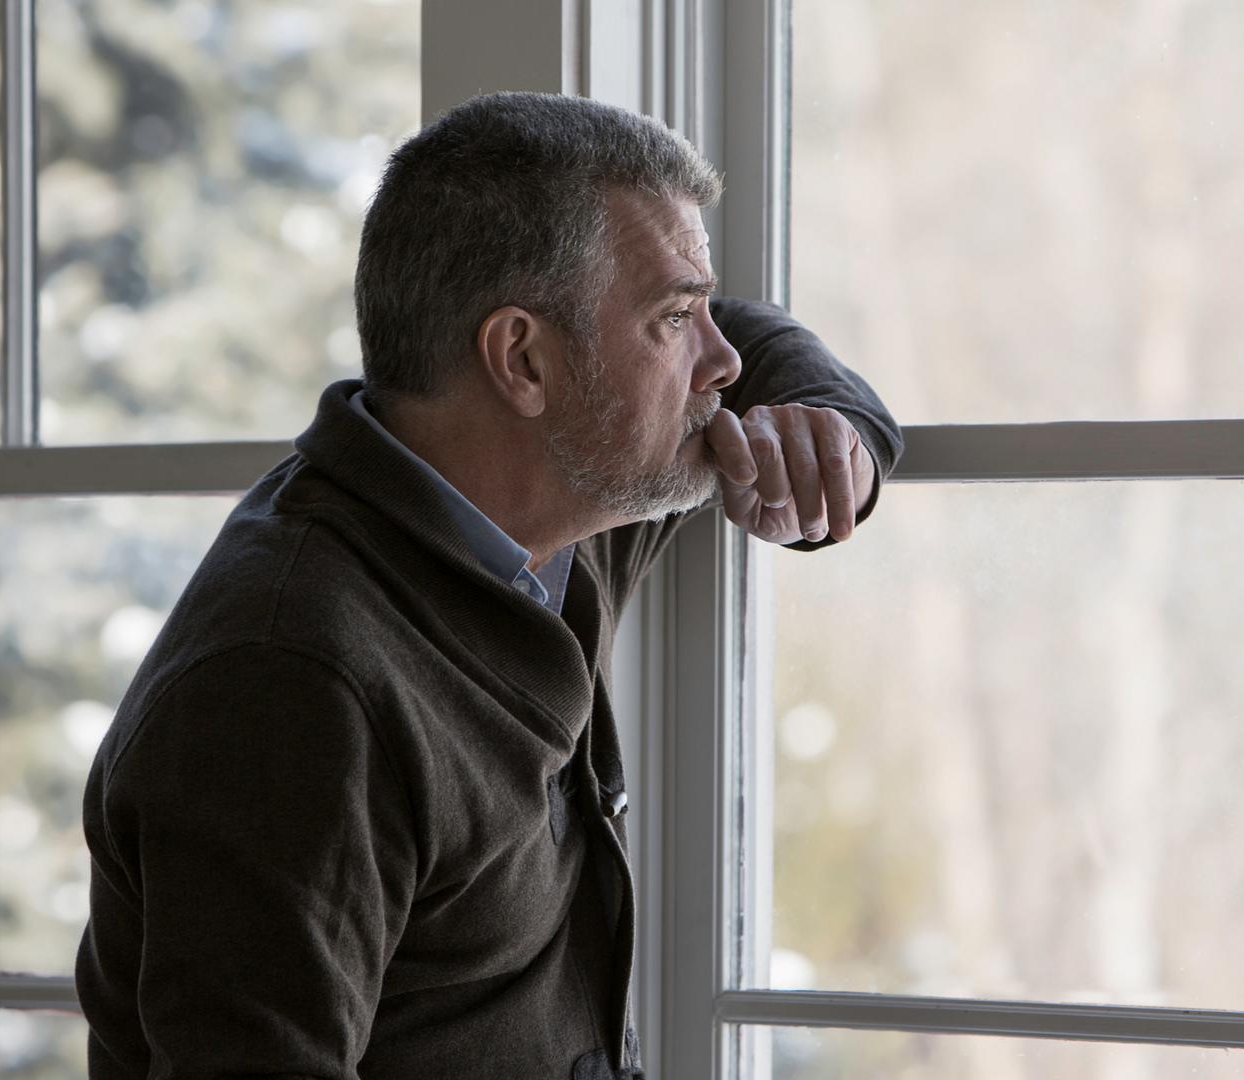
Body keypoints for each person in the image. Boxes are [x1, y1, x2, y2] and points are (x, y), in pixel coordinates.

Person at [74, 93, 900, 1078]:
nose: (719, 362)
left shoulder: (550, 498)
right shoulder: (290, 686)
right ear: (523, 360)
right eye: (675, 319)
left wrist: (827, 428)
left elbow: (754, 340)